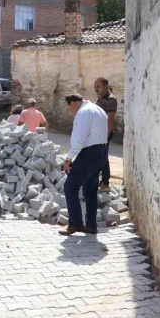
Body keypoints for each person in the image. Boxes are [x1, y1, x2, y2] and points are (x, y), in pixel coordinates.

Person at [59, 93, 108, 236]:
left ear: (74, 103)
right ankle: (91, 226)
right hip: (101, 152)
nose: (70, 112)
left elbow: (79, 139)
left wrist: (68, 159)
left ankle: (75, 224)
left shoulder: (83, 113)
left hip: (89, 153)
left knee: (70, 187)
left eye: (69, 108)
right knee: (89, 190)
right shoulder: (97, 109)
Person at [94, 77, 118, 193]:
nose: (96, 89)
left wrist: (105, 137)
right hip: (98, 133)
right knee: (98, 156)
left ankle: (105, 183)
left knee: (103, 157)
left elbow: (110, 119)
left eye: (98, 86)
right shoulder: (100, 98)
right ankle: (100, 180)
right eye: (95, 87)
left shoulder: (111, 100)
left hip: (104, 134)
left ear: (106, 86)